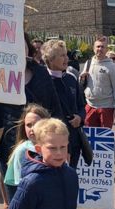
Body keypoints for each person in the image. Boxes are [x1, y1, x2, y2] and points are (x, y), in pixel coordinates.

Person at [0, 32, 63, 209]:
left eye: (23, 45)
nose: (20, 50)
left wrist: (62, 141)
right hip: (10, 147)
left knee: (41, 197)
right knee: (16, 201)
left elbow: (55, 106)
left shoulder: (41, 72)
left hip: (42, 145)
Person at [41, 39, 85, 168]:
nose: (67, 59)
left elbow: (81, 106)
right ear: (50, 59)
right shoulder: (43, 81)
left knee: (70, 178)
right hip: (54, 143)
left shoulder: (71, 78)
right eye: (62, 55)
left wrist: (80, 118)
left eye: (66, 54)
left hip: (74, 140)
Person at [79, 37, 115, 128]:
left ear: (106, 49)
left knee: (103, 139)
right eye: (98, 46)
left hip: (106, 107)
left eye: (102, 47)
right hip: (90, 105)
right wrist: (81, 77)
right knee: (89, 138)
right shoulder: (88, 63)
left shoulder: (112, 66)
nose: (100, 49)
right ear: (94, 48)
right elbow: (82, 83)